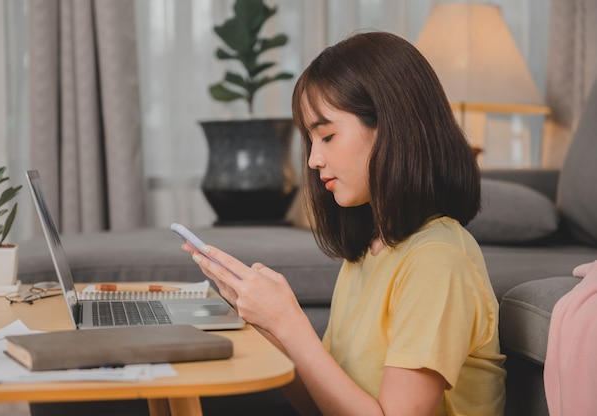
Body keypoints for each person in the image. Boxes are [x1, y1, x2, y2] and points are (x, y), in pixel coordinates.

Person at [183, 31, 506, 416]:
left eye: (328, 136)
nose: (313, 160)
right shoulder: (368, 251)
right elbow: (319, 403)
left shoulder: (438, 260)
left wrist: (291, 323)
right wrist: (262, 320)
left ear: (391, 126)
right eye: (310, 141)